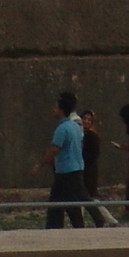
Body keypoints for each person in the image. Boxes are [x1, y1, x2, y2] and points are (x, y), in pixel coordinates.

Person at [41, 92, 88, 229]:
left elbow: (54, 149)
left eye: (56, 107)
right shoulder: (75, 127)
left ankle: (75, 229)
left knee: (69, 204)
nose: (53, 110)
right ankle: (54, 227)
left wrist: (40, 164)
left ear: (61, 110)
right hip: (73, 169)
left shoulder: (62, 129)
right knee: (59, 203)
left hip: (66, 172)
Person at [77, 108, 119, 226]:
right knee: (87, 197)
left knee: (87, 197)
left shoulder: (91, 136)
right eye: (84, 118)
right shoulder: (84, 134)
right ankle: (107, 220)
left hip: (88, 170)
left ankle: (108, 219)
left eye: (88, 119)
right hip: (86, 169)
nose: (86, 121)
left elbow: (92, 154)